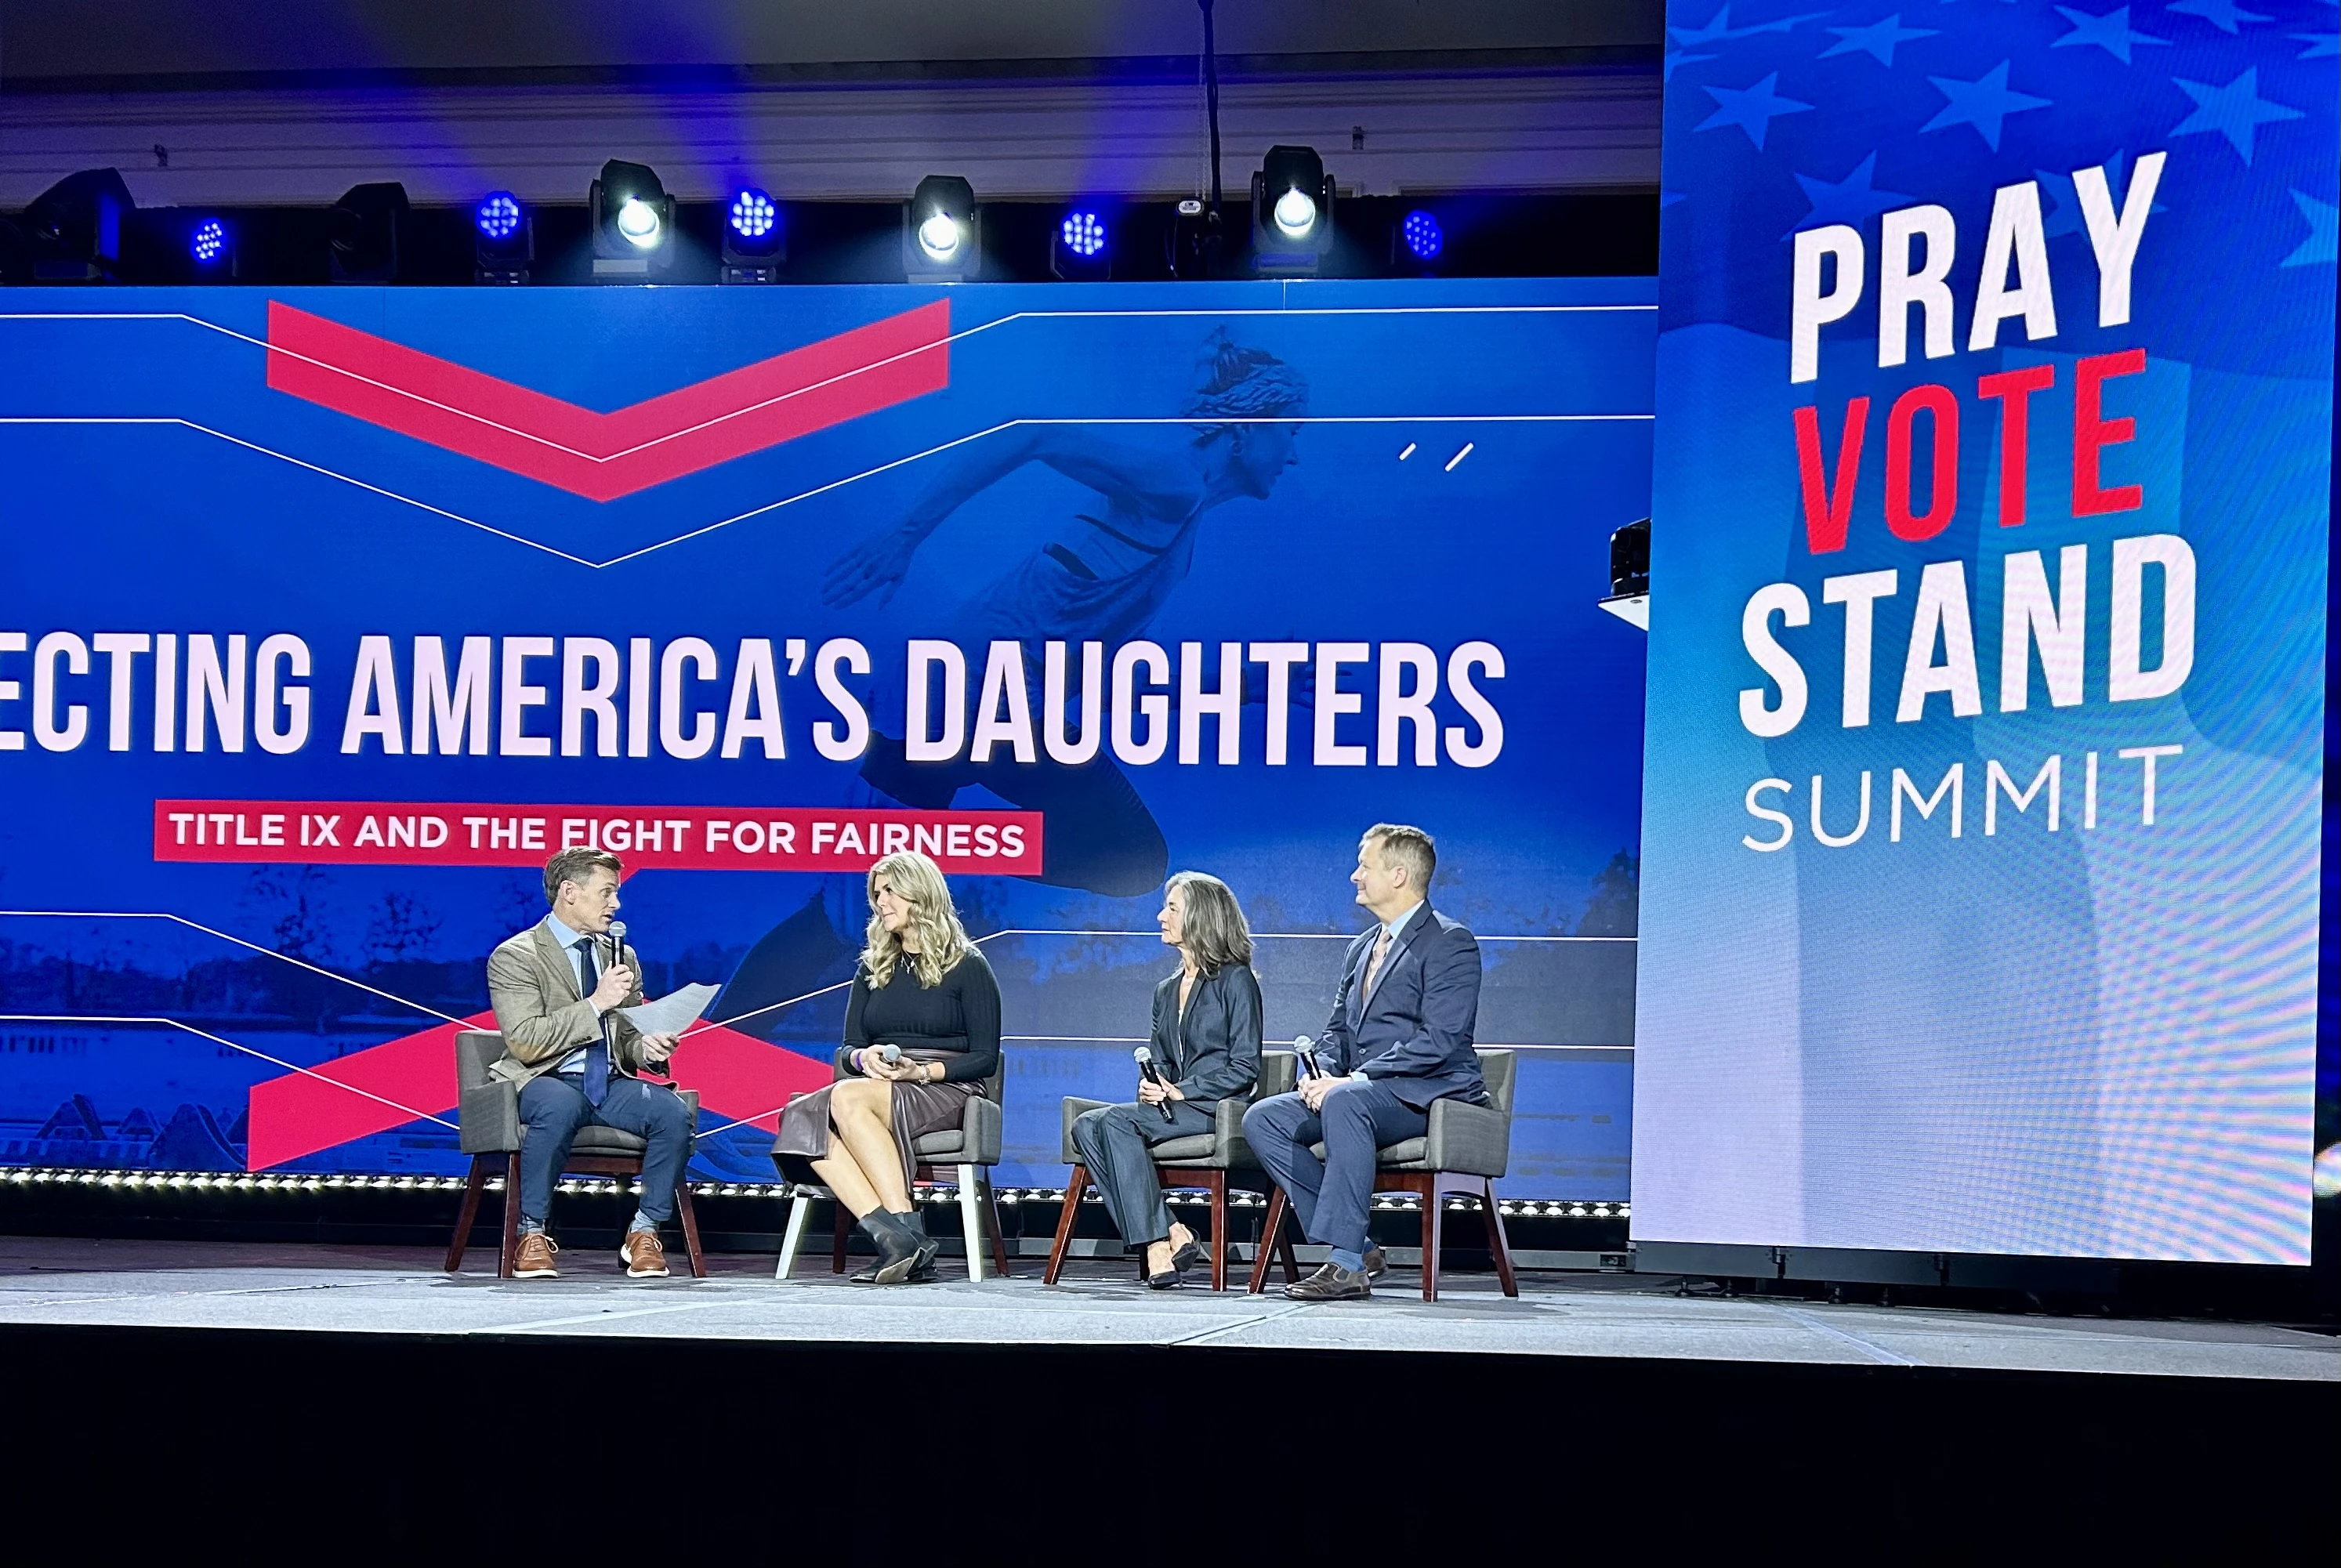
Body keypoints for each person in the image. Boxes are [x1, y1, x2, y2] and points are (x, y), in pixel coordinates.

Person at [711, 331, 1312, 1034]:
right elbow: (1032, 436)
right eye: (1289, 431)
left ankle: (926, 853)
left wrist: (1236, 688)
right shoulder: (1173, 483)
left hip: (997, 707)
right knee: (857, 912)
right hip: (955, 698)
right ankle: (712, 1067)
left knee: (853, 910)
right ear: (1246, 426)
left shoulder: (1179, 539)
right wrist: (906, 534)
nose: (1293, 452)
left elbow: (1101, 673)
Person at [1242, 824, 1486, 1302]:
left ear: (1398, 876)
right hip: (1361, 1091)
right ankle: (1362, 1246)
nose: (1355, 876)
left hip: (1425, 1092)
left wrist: (1351, 1079)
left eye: (1365, 867)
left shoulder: (1450, 943)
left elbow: (1440, 1039)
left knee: (1347, 1103)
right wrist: (1319, 1075)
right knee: (1264, 1118)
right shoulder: (1361, 947)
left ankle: (1346, 1265)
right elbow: (1338, 1030)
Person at [771, 850, 1002, 1285]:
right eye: (877, 894)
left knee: (839, 1099)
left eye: (892, 892)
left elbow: (985, 1058)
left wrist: (920, 1072)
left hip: (947, 1087)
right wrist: (863, 1059)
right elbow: (849, 1048)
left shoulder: (969, 966)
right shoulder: (872, 967)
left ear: (922, 896)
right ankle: (898, 1237)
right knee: (802, 1114)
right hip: (876, 1085)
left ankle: (902, 1237)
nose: (881, 903)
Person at [485, 847, 691, 1280]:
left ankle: (644, 1231)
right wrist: (596, 1002)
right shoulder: (517, 956)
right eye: (608, 892)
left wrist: (648, 1050)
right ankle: (533, 1232)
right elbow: (525, 1041)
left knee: (672, 1112)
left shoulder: (622, 957)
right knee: (560, 1106)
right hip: (544, 1077)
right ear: (570, 892)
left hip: (609, 1083)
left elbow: (629, 1037)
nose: (616, 904)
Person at [1069, 872, 1263, 1288]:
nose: (1161, 916)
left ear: (1200, 916)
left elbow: (1245, 1068)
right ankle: (1175, 1230)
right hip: (1172, 1107)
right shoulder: (1166, 989)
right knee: (1086, 1125)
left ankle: (1156, 1245)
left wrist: (1183, 1090)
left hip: (1215, 1110)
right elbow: (1162, 1061)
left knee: (1116, 1122)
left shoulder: (1235, 980)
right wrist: (1154, 1083)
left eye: (1172, 908)